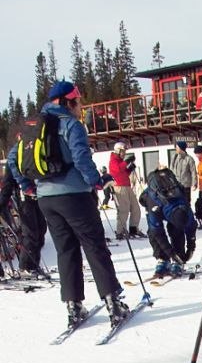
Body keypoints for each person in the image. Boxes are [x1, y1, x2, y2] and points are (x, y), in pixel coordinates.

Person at [29, 81, 129, 326]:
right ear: (67, 101)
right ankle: (114, 304)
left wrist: (27, 186)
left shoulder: (36, 127)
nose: (80, 107)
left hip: (46, 198)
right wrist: (97, 180)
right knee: (94, 246)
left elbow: (16, 158)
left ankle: (74, 308)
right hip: (73, 196)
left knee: (66, 250)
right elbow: (81, 157)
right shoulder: (70, 125)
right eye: (78, 102)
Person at [139, 166, 197, 277]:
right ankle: (162, 259)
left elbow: (191, 228)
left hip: (173, 204)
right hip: (154, 201)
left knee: (176, 230)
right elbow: (158, 233)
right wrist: (171, 254)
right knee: (153, 233)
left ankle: (178, 260)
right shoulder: (155, 204)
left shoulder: (186, 209)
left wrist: (190, 248)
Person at [4, 139, 48, 274]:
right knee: (30, 233)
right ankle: (25, 267)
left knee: (41, 231)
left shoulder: (35, 147)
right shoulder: (16, 153)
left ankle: (34, 265)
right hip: (23, 195)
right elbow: (8, 180)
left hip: (36, 194)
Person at [109, 141, 142, 238]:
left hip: (127, 186)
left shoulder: (120, 161)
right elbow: (118, 169)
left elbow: (122, 173)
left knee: (136, 208)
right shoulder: (113, 161)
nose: (124, 154)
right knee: (124, 210)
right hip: (119, 187)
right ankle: (121, 231)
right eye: (123, 151)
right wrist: (126, 162)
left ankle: (133, 228)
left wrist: (129, 169)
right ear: (118, 151)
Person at [171, 140, 197, 204]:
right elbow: (171, 171)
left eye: (177, 147)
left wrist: (194, 184)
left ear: (181, 148)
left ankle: (187, 213)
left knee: (186, 202)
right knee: (177, 202)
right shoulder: (174, 157)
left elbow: (193, 172)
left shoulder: (189, 159)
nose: (176, 149)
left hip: (185, 185)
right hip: (176, 185)